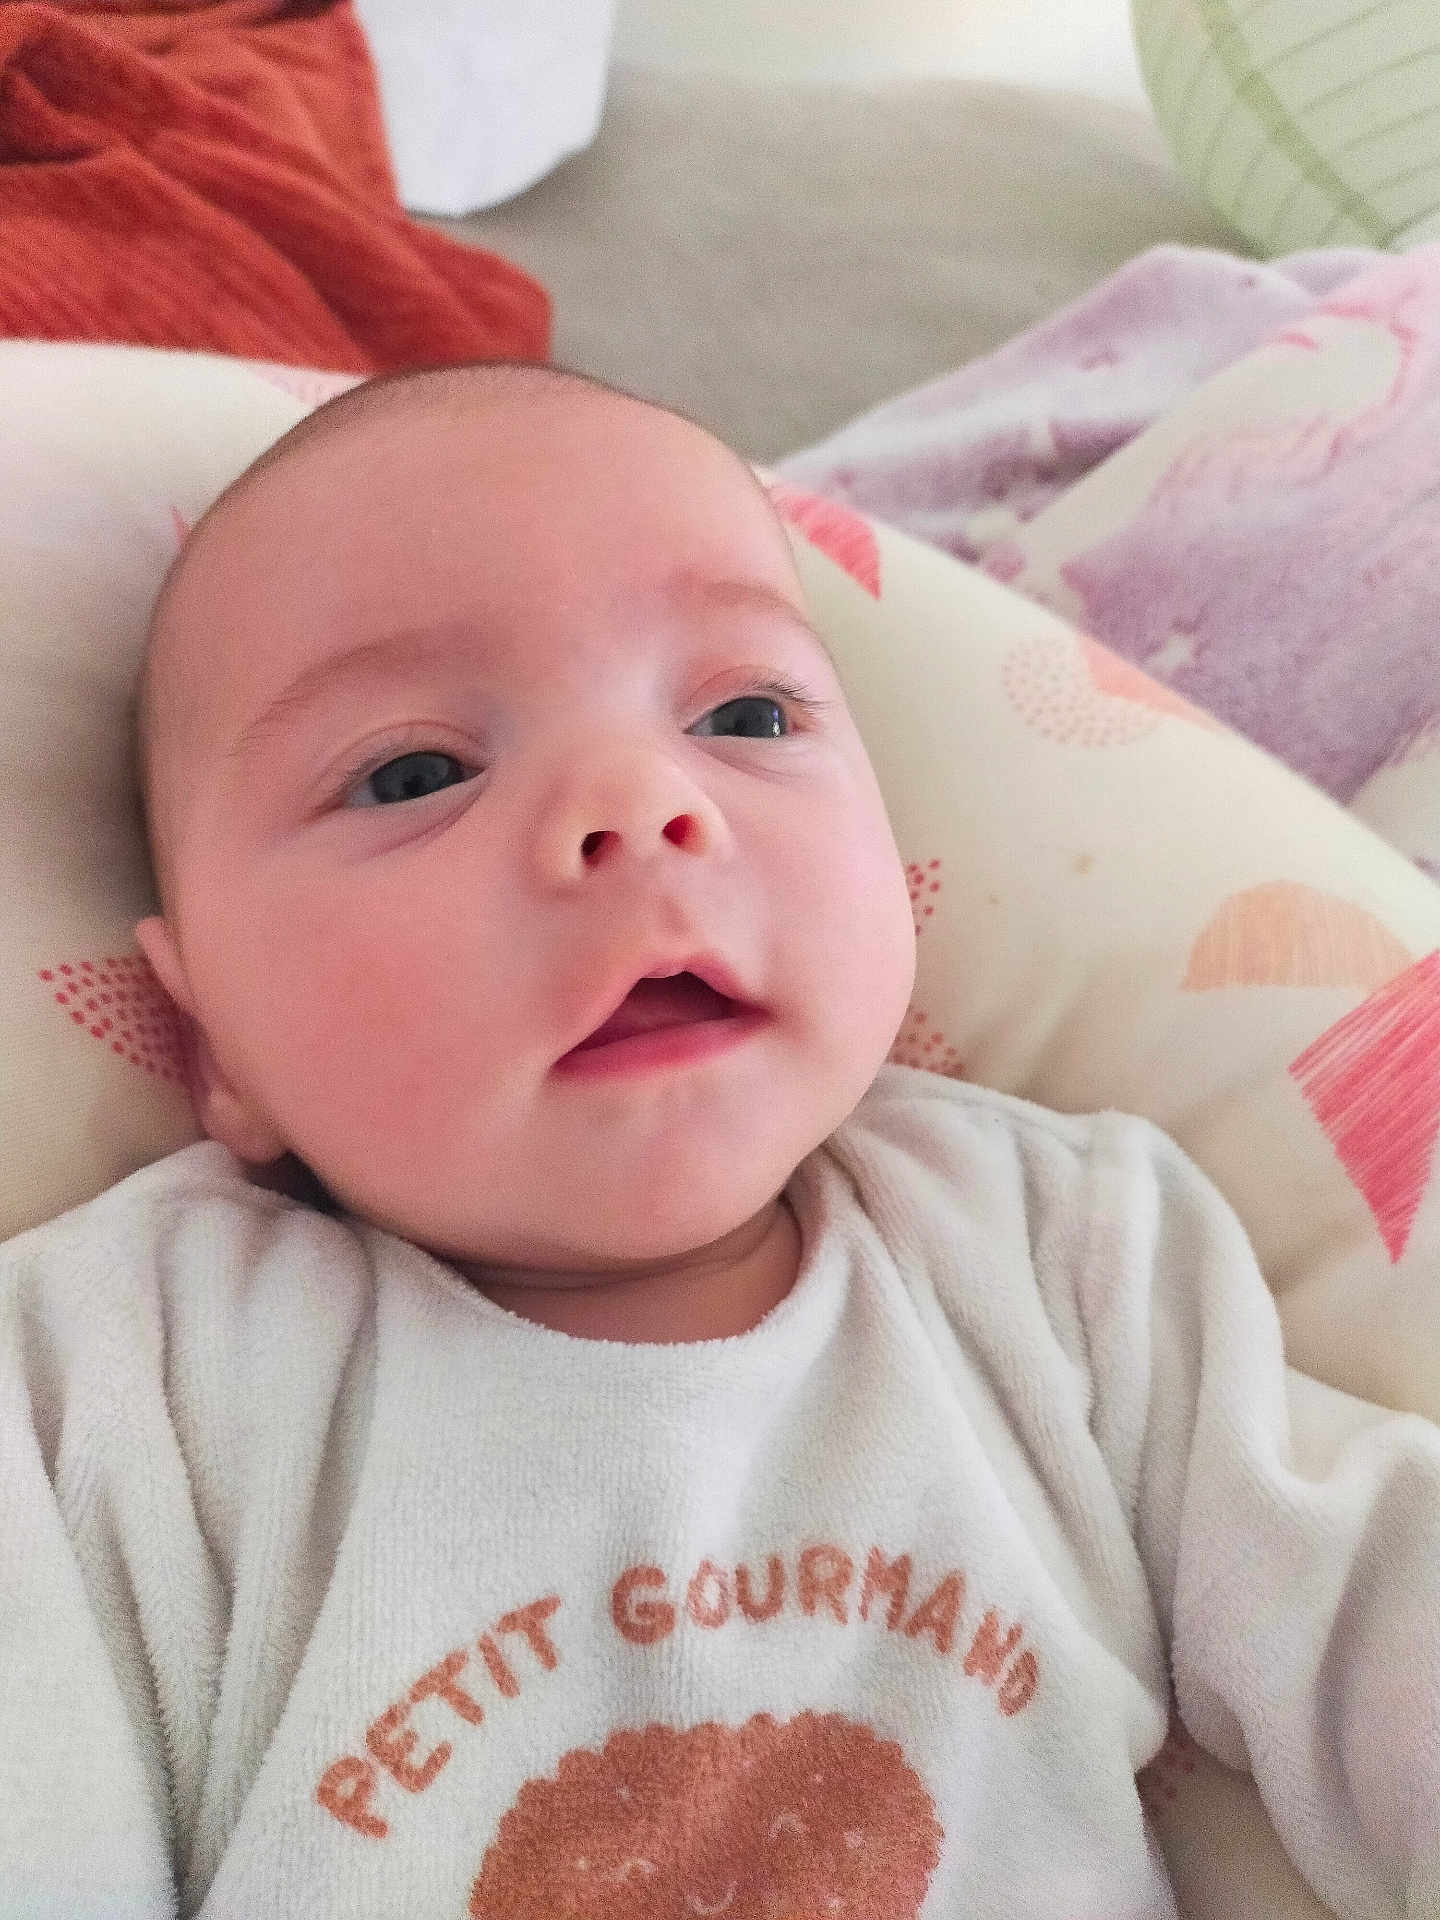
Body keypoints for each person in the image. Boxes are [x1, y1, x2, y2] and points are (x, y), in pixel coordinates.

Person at [1, 359, 1436, 1919]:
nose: (638, 802)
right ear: (215, 1042)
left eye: (744, 713)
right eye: (415, 773)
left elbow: (1379, 1613)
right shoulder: (117, 1381)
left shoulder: (1063, 1257)